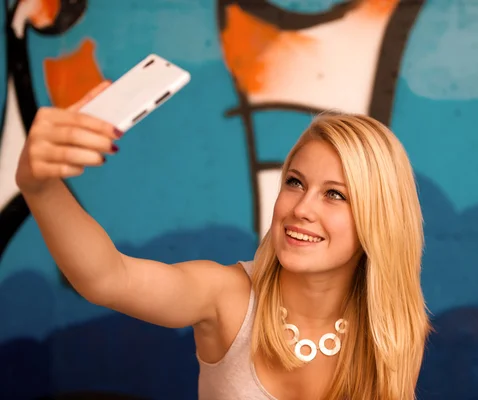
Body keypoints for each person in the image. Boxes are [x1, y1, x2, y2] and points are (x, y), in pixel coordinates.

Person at [15, 81, 430, 399]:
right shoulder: (227, 297)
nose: (301, 208)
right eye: (295, 182)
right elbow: (108, 277)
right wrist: (40, 187)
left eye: (335, 194)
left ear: (380, 218)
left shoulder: (394, 331)